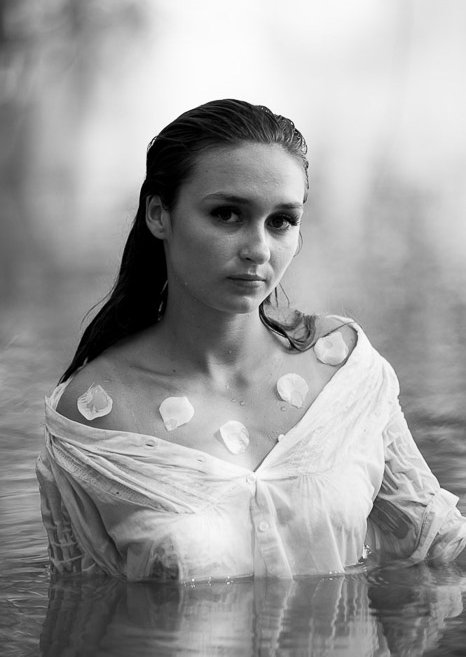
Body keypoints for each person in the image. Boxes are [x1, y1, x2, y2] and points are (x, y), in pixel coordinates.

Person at [36, 99, 466, 582]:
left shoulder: (346, 374)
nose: (259, 249)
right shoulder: (93, 416)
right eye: (227, 214)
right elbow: (79, 601)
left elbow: (438, 544)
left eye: (281, 221)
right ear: (159, 214)